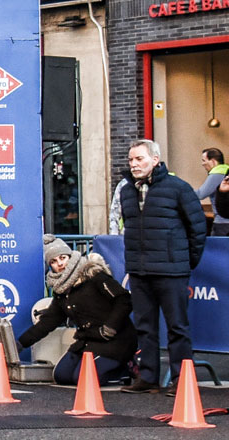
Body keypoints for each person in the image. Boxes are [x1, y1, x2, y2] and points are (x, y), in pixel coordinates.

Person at [117, 139, 207, 392]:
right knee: (145, 327)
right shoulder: (126, 191)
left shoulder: (178, 188)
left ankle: (182, 380)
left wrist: (186, 262)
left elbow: (198, 229)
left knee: (177, 327)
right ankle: (148, 378)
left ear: (155, 159)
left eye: (140, 159)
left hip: (171, 270)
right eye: (131, 160)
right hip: (139, 270)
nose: (134, 164)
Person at [21, 237, 135, 385]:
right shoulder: (61, 290)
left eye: (62, 258)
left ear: (70, 256)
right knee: (61, 376)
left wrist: (109, 328)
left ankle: (124, 371)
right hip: (87, 341)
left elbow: (123, 299)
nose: (60, 264)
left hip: (114, 340)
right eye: (53, 262)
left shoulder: (94, 275)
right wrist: (20, 343)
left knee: (84, 379)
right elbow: (48, 322)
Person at [193, 147, 229, 236]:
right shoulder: (227, 170)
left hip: (222, 221)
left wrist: (182, 190)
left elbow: (201, 194)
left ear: (213, 161)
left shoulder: (217, 174)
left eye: (204, 160)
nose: (202, 164)